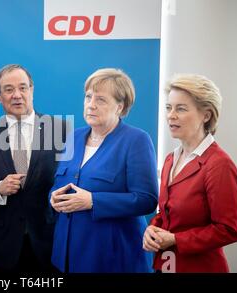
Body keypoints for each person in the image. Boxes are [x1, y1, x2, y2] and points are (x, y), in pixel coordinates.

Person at [49, 68, 158, 272]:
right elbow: (59, 184)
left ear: (120, 106)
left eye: (100, 100)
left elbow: (147, 200)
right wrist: (53, 198)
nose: (91, 104)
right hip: (67, 255)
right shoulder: (74, 137)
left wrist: (93, 201)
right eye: (88, 97)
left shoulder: (136, 140)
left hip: (111, 257)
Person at [0, 64, 66, 273]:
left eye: (23, 88)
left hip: (49, 239)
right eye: (9, 89)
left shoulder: (61, 130)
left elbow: (72, 180)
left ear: (32, 90)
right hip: (4, 243)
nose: (17, 95)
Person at [143, 74, 237, 273]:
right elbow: (167, 212)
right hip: (167, 265)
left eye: (181, 108)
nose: (171, 115)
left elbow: (229, 230)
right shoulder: (171, 158)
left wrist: (175, 239)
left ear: (206, 115)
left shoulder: (219, 164)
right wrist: (152, 228)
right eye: (169, 108)